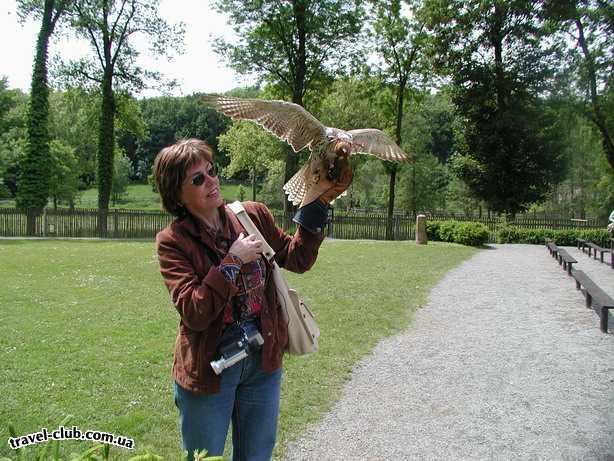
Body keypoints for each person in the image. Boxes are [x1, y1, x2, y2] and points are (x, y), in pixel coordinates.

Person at [153, 138, 352, 461]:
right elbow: (195, 312)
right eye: (197, 179)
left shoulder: (251, 216)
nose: (211, 181)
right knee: (205, 457)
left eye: (211, 171)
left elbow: (297, 258)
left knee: (257, 456)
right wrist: (232, 260)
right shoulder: (173, 242)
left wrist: (318, 201)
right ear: (176, 193)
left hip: (263, 361)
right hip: (209, 370)